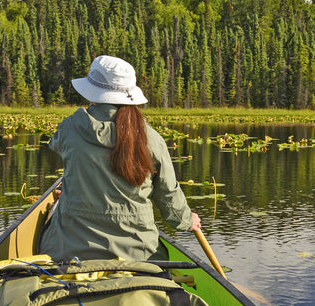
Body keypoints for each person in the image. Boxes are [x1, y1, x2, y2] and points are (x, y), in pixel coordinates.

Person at [39, 55, 201, 262]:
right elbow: (168, 195)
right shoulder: (152, 139)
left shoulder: (69, 128)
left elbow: (58, 147)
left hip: (69, 250)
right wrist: (186, 220)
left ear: (92, 92)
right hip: (138, 252)